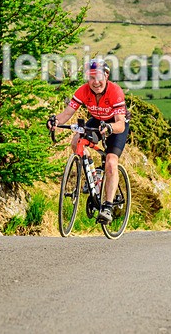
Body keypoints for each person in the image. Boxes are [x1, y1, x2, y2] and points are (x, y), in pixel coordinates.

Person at [47, 60, 129, 224]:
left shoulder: (115, 91)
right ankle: (93, 176)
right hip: (97, 121)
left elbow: (120, 123)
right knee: (76, 141)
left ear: (106, 76)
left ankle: (108, 206)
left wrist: (111, 128)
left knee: (111, 162)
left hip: (116, 125)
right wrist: (55, 121)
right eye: (91, 78)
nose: (95, 82)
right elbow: (67, 113)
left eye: (98, 77)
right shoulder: (83, 91)